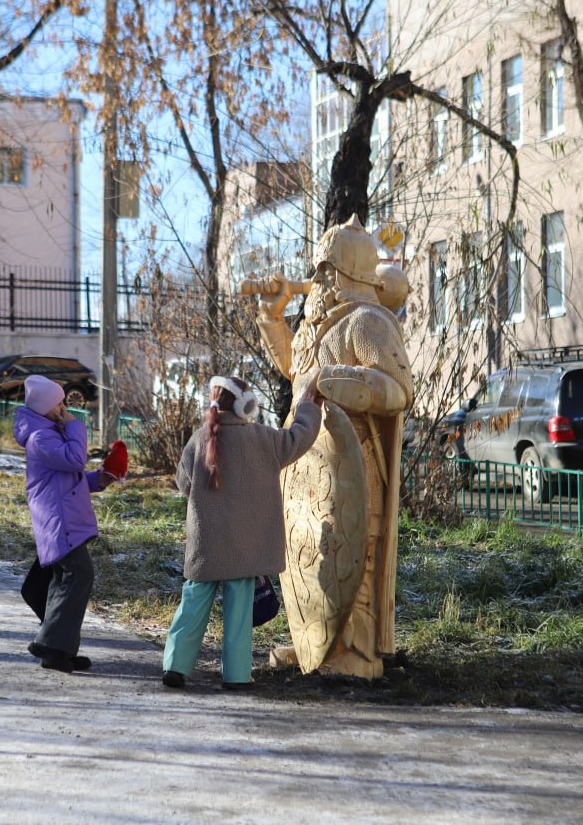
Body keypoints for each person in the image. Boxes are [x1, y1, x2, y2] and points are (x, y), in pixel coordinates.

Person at [249, 214, 413, 679]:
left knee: (354, 559)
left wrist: (352, 383)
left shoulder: (366, 323)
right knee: (310, 556)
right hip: (306, 467)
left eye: (326, 271)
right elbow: (294, 370)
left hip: (354, 467)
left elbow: (400, 389)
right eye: (317, 270)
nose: (317, 279)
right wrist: (273, 314)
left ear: (345, 275)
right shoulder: (318, 325)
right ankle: (314, 646)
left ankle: (356, 654)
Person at [161, 374, 322, 691]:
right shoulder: (263, 439)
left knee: (192, 604)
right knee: (238, 612)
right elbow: (300, 437)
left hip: (205, 544)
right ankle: (235, 675)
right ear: (245, 405)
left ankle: (175, 666)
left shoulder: (198, 440)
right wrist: (307, 406)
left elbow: (183, 484)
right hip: (246, 546)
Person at [14, 374, 116, 674]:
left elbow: (69, 477)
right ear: (44, 407)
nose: (63, 407)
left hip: (64, 517)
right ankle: (49, 643)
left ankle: (60, 650)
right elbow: (74, 460)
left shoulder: (50, 433)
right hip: (58, 520)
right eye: (58, 403)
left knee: (67, 580)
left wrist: (100, 479)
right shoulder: (41, 438)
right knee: (77, 575)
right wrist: (75, 425)